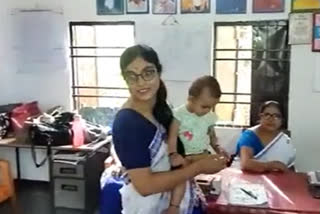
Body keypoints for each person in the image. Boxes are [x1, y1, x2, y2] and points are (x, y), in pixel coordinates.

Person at [112, 44, 227, 214]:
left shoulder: (161, 107)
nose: (141, 82)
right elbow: (145, 186)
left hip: (174, 199)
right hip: (148, 207)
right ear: (125, 79)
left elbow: (174, 154)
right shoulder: (127, 122)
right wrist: (199, 167)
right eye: (132, 76)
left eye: (148, 72)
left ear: (158, 72)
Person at [166, 76, 229, 211]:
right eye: (205, 106)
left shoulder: (209, 116)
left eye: (212, 107)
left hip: (202, 155)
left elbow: (212, 137)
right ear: (191, 99)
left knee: (222, 163)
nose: (208, 110)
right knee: (181, 177)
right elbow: (171, 138)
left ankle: (208, 194)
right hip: (186, 157)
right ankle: (174, 206)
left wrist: (218, 149)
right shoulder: (178, 115)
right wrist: (173, 154)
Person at [235, 101, 296, 173]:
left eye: (276, 116)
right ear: (260, 117)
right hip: (249, 179)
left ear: (282, 120)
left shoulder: (284, 139)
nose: (271, 119)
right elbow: (246, 163)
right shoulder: (249, 136)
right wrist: (272, 165)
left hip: (278, 179)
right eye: (267, 115)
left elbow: (290, 166)